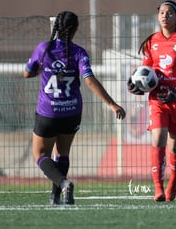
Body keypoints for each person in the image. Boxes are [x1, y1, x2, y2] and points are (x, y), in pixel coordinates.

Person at [24, 11, 126, 205]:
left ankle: (63, 184)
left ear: (56, 28)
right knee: (62, 153)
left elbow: (27, 73)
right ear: (75, 29)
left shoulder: (44, 49)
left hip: (48, 112)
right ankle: (55, 196)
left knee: (40, 155)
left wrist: (39, 69)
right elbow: (89, 80)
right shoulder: (79, 52)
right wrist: (112, 104)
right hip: (72, 111)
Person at [127, 0, 176, 202]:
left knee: (174, 145)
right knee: (158, 137)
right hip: (158, 99)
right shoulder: (152, 41)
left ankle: (174, 179)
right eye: (162, 12)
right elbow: (146, 70)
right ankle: (158, 188)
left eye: (170, 13)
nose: (165, 16)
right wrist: (135, 84)